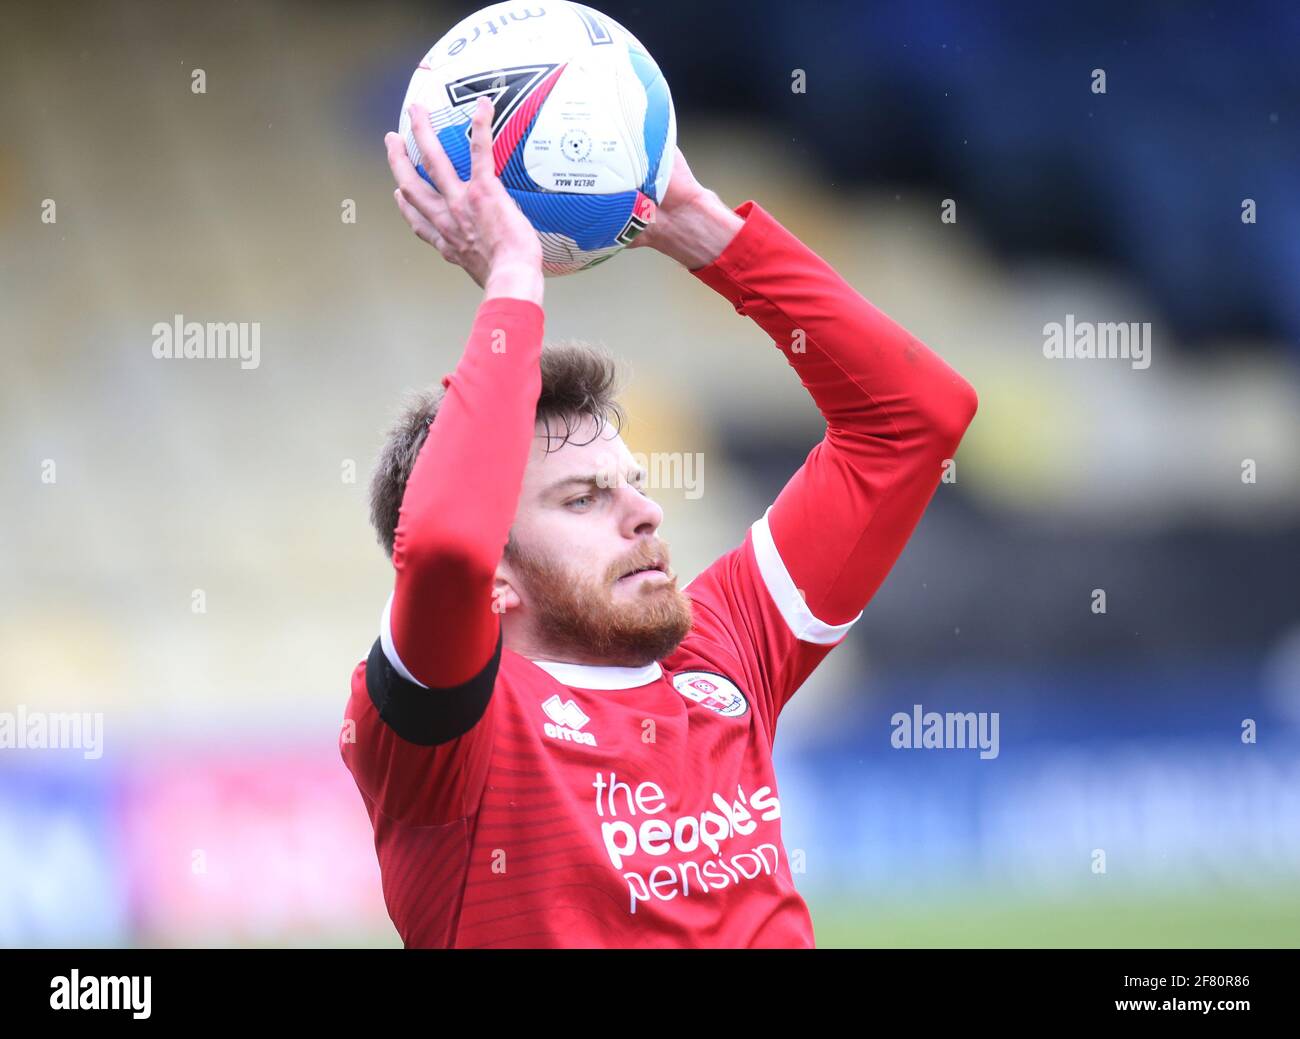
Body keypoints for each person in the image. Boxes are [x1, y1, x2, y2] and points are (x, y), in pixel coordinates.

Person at [340, 95, 978, 947]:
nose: (644, 513)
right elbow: (447, 545)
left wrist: (708, 235)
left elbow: (914, 419)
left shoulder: (721, 650)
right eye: (582, 498)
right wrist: (514, 283)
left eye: (631, 483)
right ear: (497, 578)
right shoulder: (450, 734)